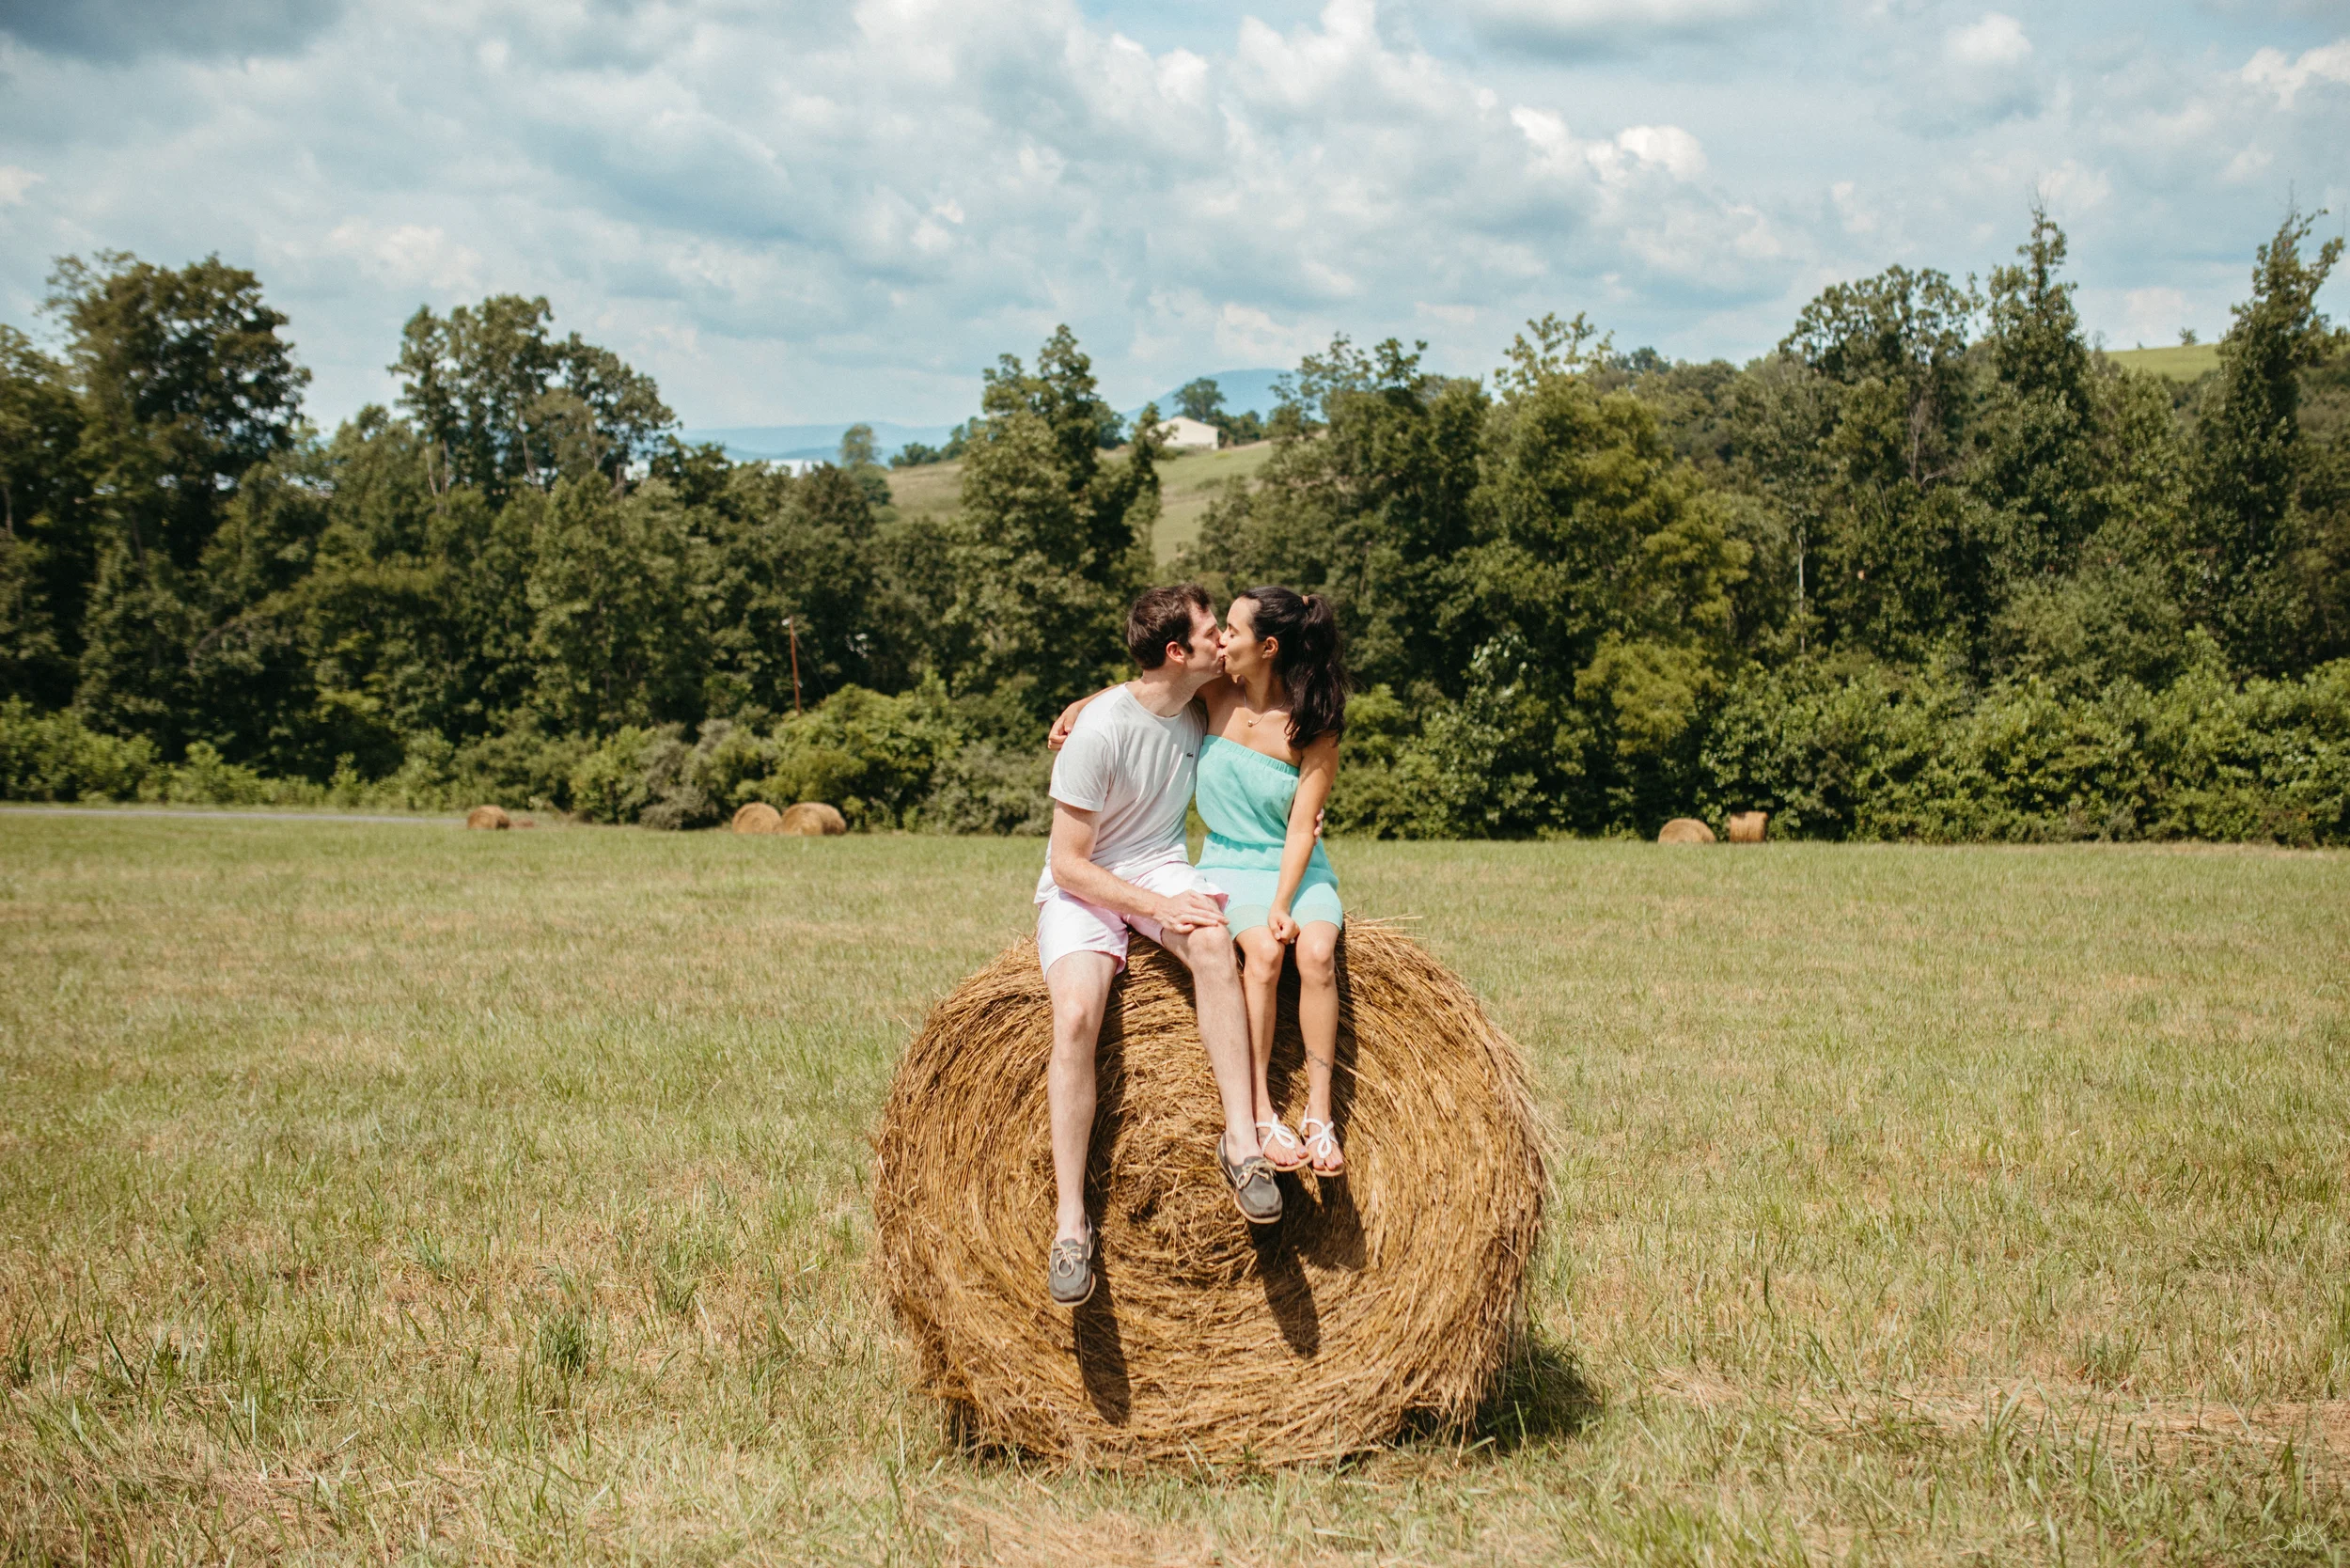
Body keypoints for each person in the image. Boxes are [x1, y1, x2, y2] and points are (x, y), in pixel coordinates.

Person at [1035, 584, 1283, 1311]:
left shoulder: (1198, 700)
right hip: (1086, 886)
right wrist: (1153, 906)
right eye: (1211, 632)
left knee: (1212, 945)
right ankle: (1071, 1224)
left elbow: (1163, 681)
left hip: (1157, 861)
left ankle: (1241, 1144)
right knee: (1077, 1018)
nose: (1222, 642)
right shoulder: (1098, 735)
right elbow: (1068, 865)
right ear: (1178, 651)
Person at [1051, 586, 1352, 1185]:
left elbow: (1299, 826)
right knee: (1255, 957)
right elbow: (1149, 685)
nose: (1221, 642)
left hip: (1260, 865)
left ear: (1266, 648)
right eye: (1215, 632)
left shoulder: (1298, 717)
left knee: (1297, 952)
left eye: (1230, 632)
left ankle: (1291, 1119)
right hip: (1200, 867)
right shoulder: (1210, 694)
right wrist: (1084, 705)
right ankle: (1259, 1113)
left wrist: (1287, 893)